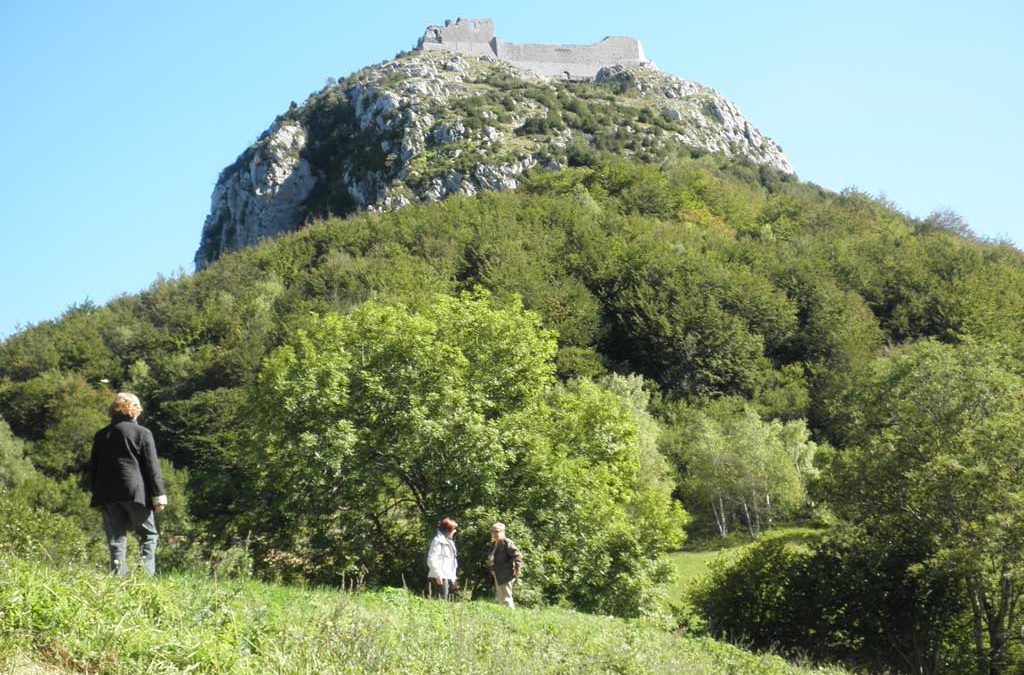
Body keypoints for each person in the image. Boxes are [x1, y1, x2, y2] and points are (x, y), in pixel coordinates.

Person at [89, 392, 167, 576]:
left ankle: (118, 578)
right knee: (148, 536)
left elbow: (93, 468)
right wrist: (158, 497)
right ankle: (144, 577)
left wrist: (96, 495)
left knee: (116, 539)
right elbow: (152, 467)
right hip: (135, 493)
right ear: (134, 410)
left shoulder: (101, 435)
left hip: (106, 494)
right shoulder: (142, 433)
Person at [488, 522, 523, 608]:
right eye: (493, 531)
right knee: (501, 598)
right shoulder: (494, 544)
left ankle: (511, 617)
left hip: (506, 574)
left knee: (506, 598)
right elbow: (492, 559)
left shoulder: (507, 543)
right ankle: (505, 617)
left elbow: (517, 555)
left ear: (503, 532)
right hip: (497, 574)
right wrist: (492, 569)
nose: (494, 533)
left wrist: (517, 569)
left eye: (497, 531)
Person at [426, 517, 459, 599]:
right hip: (440, 578)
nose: (455, 531)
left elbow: (452, 563)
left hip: (447, 577)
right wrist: (438, 575)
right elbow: (431, 559)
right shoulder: (438, 541)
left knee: (445, 603)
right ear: (448, 530)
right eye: (454, 529)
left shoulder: (450, 542)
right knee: (440, 603)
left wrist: (453, 578)